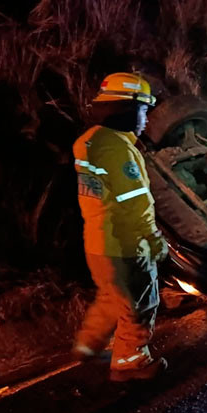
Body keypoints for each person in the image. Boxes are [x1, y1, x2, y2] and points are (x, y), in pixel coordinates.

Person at [72, 72, 169, 382]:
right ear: (126, 109)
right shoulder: (119, 149)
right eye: (142, 111)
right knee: (141, 301)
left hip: (97, 242)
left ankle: (87, 346)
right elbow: (135, 202)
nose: (145, 120)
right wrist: (153, 239)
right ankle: (131, 361)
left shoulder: (88, 141)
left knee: (112, 295)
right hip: (125, 244)